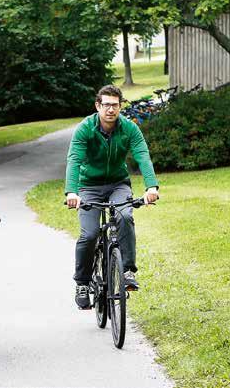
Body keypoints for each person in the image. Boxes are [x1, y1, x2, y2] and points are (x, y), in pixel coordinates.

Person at [64, 85, 159, 310]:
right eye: (106, 105)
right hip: (88, 186)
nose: (110, 110)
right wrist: (71, 191)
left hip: (118, 184)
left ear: (120, 106)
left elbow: (142, 155)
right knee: (89, 234)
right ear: (98, 106)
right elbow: (74, 159)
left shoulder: (129, 129)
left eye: (115, 105)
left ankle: (127, 271)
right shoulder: (85, 128)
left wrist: (151, 186)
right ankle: (82, 283)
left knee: (125, 216)